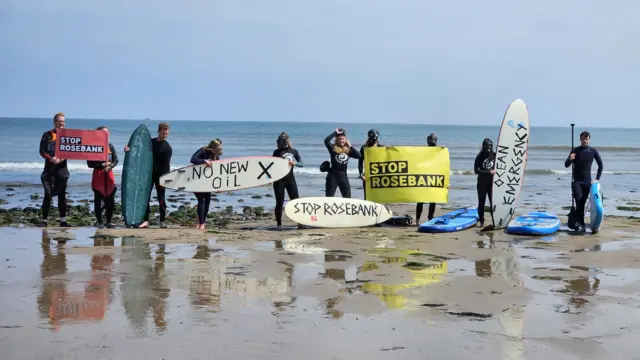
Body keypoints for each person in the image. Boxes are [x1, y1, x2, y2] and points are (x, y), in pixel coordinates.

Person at [124, 123, 172, 228]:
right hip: (148, 175)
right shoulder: (150, 143)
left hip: (160, 177)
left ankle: (162, 220)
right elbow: (138, 151)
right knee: (145, 198)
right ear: (159, 131)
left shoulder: (167, 148)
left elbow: (166, 166)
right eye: (163, 133)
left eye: (167, 134)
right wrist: (128, 149)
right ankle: (145, 220)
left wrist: (165, 179)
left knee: (161, 199)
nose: (165, 135)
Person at [564, 130, 603, 232]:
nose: (584, 141)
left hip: (587, 182)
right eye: (582, 139)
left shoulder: (592, 151)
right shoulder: (575, 150)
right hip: (577, 181)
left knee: (582, 203)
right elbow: (566, 165)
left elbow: (601, 165)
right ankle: (580, 224)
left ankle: (579, 224)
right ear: (580, 139)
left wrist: (597, 179)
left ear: (589, 140)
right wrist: (570, 159)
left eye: (586, 139)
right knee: (578, 201)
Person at [38, 112, 70, 227]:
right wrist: (51, 159)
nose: (61, 123)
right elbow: (42, 151)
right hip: (49, 170)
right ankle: (44, 220)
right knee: (47, 194)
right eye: (59, 121)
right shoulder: (47, 134)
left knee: (62, 195)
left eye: (63, 121)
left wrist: (61, 159)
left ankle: (63, 220)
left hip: (62, 170)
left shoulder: (68, 135)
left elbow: (72, 150)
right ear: (54, 122)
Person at [87, 126, 118, 229]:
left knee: (110, 201)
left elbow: (115, 160)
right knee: (98, 200)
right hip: (98, 176)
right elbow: (89, 164)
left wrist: (110, 166)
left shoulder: (110, 146)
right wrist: (101, 165)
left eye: (107, 133)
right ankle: (100, 222)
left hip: (109, 176)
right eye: (103, 133)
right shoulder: (93, 147)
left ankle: (109, 221)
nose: (106, 135)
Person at [272, 132, 304, 229]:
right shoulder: (276, 152)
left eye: (283, 140)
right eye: (280, 140)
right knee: (279, 202)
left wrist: (294, 163)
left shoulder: (294, 151)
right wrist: (270, 178)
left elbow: (301, 164)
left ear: (287, 140)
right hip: (279, 180)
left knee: (295, 201)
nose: (281, 142)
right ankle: (279, 224)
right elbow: (272, 166)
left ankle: (299, 222)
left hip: (290, 180)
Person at [190, 139, 223, 230]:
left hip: (206, 182)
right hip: (196, 180)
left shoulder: (216, 157)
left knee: (207, 200)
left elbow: (216, 173)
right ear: (212, 147)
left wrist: (219, 186)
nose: (218, 151)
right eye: (217, 149)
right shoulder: (203, 150)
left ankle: (202, 223)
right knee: (202, 200)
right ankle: (201, 224)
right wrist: (204, 161)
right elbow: (192, 159)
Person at [414, 133, 445, 225]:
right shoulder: (424, 151)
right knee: (422, 200)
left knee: (431, 199)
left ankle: (427, 218)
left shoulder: (437, 150)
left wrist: (442, 149)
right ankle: (419, 219)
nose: (432, 141)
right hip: (424, 177)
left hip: (432, 177)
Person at [323, 128, 361, 198]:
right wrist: (335, 132)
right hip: (332, 177)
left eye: (343, 139)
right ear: (337, 140)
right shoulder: (333, 148)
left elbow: (359, 155)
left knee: (348, 198)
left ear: (345, 140)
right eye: (339, 139)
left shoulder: (348, 150)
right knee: (329, 198)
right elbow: (326, 141)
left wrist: (350, 146)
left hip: (343, 177)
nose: (341, 141)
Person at [474, 138, 496, 228]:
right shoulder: (479, 156)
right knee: (481, 203)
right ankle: (482, 222)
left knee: (493, 203)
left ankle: (495, 221)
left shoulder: (495, 155)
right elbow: (476, 170)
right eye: (486, 145)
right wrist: (488, 172)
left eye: (489, 145)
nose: (488, 147)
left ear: (491, 145)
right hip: (482, 183)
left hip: (493, 184)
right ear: (483, 146)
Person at [358, 129, 383, 200]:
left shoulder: (381, 147)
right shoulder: (364, 148)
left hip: (379, 175)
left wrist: (390, 149)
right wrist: (361, 174)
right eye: (372, 139)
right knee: (367, 195)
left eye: (375, 139)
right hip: (368, 175)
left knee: (379, 195)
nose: (374, 141)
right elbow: (360, 162)